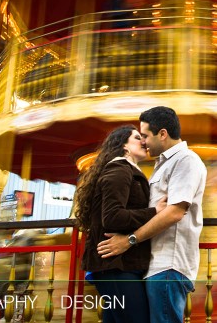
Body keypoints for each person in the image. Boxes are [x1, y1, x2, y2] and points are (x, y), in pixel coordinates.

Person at [97, 106, 207, 323]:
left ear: (163, 134)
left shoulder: (186, 160)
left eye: (145, 135)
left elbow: (175, 212)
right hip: (157, 265)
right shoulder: (163, 164)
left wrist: (129, 240)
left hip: (170, 264)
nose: (144, 141)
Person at [74, 125, 165, 323]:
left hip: (119, 264)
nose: (143, 141)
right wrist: (154, 212)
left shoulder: (125, 170)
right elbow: (113, 217)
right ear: (123, 145)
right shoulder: (120, 169)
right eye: (137, 137)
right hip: (116, 265)